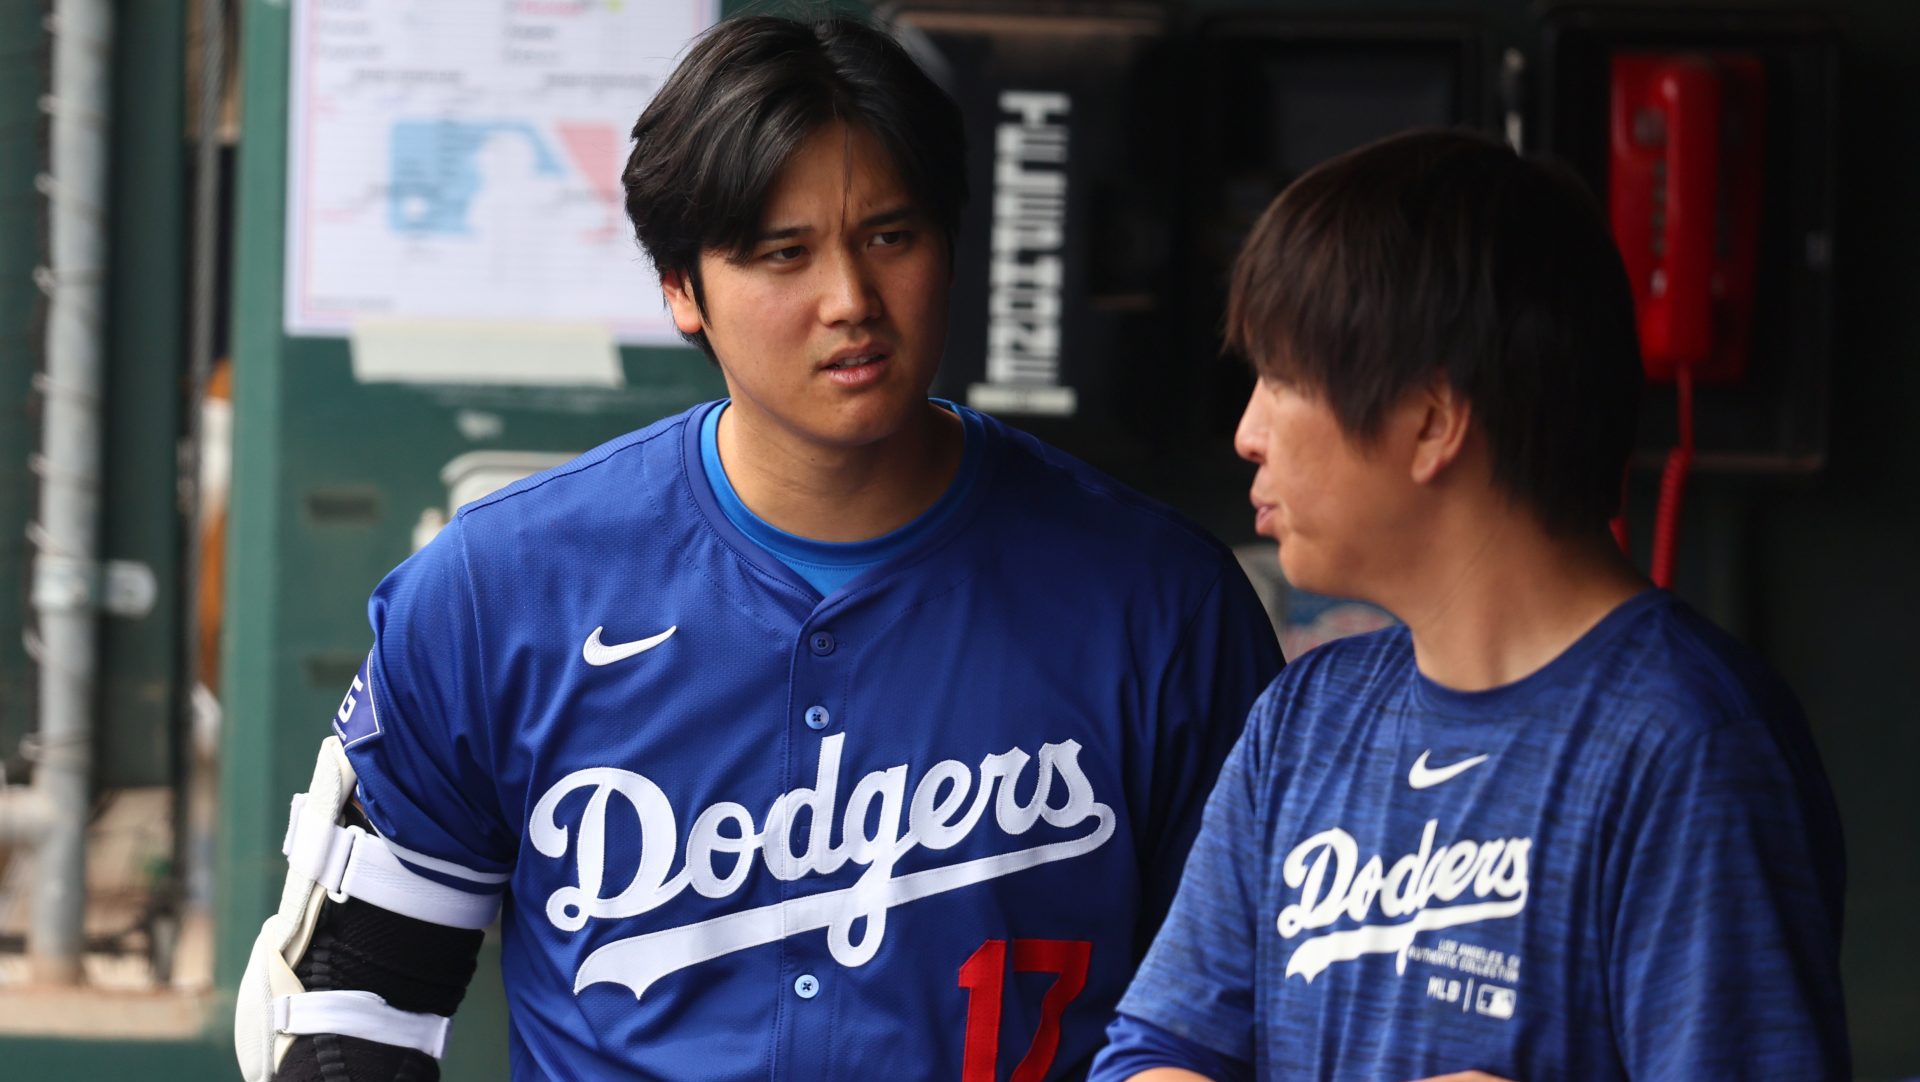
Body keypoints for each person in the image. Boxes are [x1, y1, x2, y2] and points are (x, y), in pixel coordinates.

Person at [233, 11, 1281, 1082]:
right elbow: (344, 1003)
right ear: (681, 288)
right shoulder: (497, 589)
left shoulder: (1159, 604)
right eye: (784, 254)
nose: (852, 302)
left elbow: (1252, 1019)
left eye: (892, 236)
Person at [1089, 128, 1849, 1081]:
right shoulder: (1303, 717)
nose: (1247, 433)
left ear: (1433, 422)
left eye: (1282, 379)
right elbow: (1156, 1050)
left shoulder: (1688, 744)